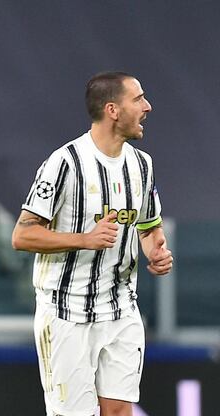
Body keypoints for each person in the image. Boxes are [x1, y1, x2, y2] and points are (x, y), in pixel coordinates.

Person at [11, 71, 173, 416]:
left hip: (121, 309)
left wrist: (156, 250)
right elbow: (22, 235)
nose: (148, 106)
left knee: (118, 411)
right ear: (112, 109)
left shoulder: (142, 166)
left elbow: (148, 226)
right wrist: (84, 239)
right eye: (138, 99)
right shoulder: (65, 163)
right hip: (66, 312)